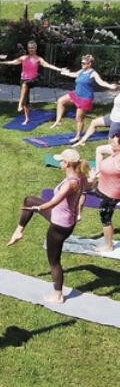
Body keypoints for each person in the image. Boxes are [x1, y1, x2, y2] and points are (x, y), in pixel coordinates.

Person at [7, 148, 88, 303]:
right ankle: (19, 231)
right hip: (63, 218)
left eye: (61, 161)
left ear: (67, 164)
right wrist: (79, 211)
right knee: (29, 199)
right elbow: (83, 194)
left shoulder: (71, 183)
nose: (59, 163)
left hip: (59, 226)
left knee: (54, 262)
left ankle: (58, 296)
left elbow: (54, 202)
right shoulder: (80, 177)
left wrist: (39, 208)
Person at [49, 55, 118, 143]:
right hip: (76, 94)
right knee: (60, 101)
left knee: (79, 119)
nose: (82, 64)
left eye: (84, 63)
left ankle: (78, 136)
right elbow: (74, 74)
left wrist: (110, 86)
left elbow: (101, 82)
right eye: (82, 62)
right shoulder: (82, 71)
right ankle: (58, 121)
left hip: (85, 99)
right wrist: (65, 72)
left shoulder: (93, 73)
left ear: (90, 64)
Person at [0, 41, 62, 124]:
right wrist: (0, 62)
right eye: (29, 48)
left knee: (25, 85)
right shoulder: (24, 58)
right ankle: (27, 118)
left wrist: (59, 69)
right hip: (24, 79)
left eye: (32, 48)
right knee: (26, 100)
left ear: (35, 48)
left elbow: (48, 65)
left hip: (33, 80)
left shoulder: (38, 59)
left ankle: (19, 104)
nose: (31, 50)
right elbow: (13, 62)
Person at [90, 134, 120, 252]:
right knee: (83, 190)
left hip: (111, 194)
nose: (111, 144)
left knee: (105, 218)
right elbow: (100, 149)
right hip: (103, 187)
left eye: (114, 143)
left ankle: (109, 246)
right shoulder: (115, 152)